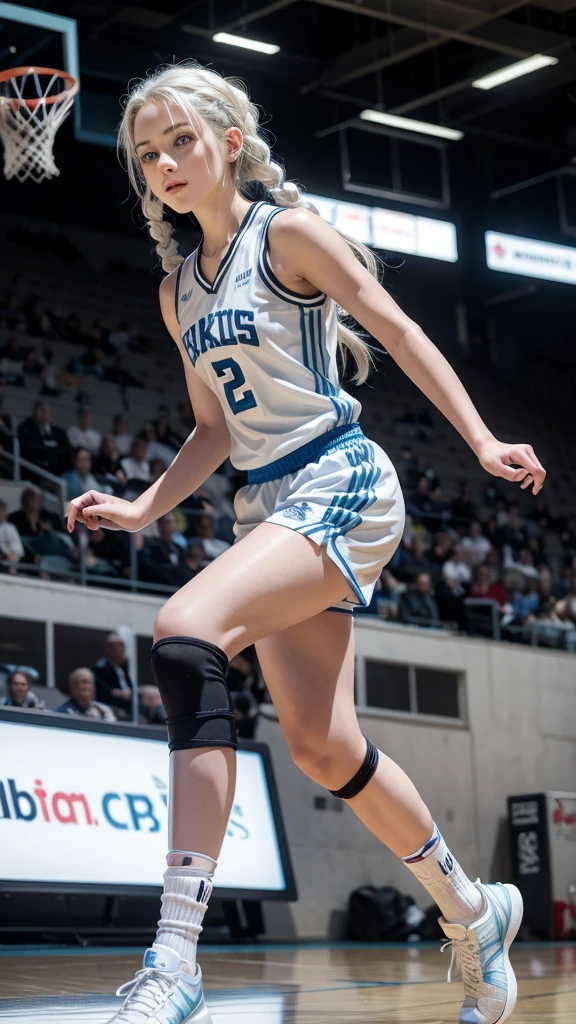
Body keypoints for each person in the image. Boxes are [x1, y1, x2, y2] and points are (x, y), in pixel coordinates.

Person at [68, 62, 545, 1024]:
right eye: (147, 153)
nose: (164, 163)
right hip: (267, 502)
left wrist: (484, 439)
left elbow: (401, 331)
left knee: (185, 627)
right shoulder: (177, 294)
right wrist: (146, 507)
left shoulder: (285, 234)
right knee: (327, 750)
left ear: (229, 142)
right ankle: (472, 908)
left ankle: (174, 959)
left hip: (343, 480)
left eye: (181, 143)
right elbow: (212, 428)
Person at [92, 633, 135, 718]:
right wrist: (118, 693)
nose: (122, 650)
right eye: (119, 647)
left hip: (126, 704)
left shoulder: (122, 667)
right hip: (110, 706)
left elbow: (129, 684)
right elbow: (103, 690)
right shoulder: (101, 667)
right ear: (109, 649)